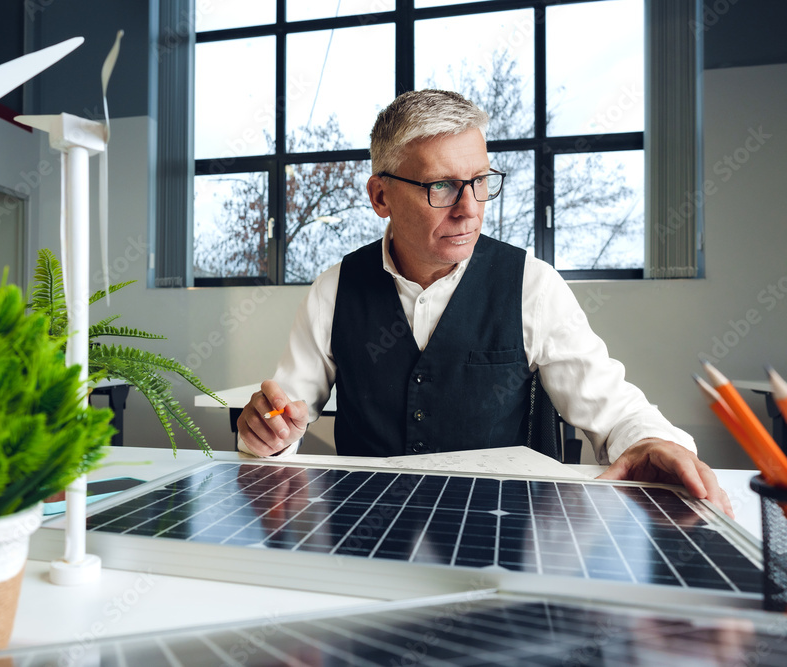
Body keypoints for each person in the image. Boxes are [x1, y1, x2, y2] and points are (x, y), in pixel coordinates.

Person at [236, 89, 732, 517]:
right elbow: (283, 423)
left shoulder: (531, 286)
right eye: (442, 186)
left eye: (479, 181)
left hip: (501, 540)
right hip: (366, 537)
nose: (469, 208)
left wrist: (650, 442)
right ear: (381, 196)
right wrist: (267, 434)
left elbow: (616, 408)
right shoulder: (334, 289)